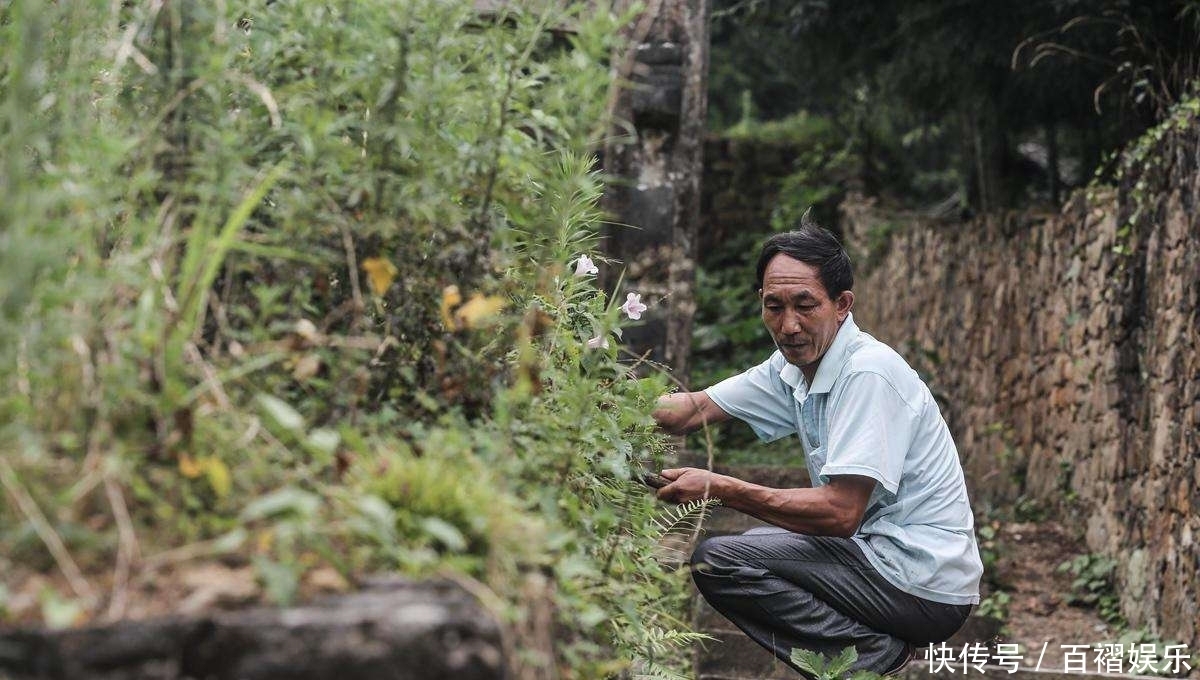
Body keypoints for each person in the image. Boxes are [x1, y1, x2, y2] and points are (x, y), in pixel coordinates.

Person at [651, 224, 982, 677]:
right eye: (775, 307)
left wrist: (719, 487)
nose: (789, 325)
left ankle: (869, 656)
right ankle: (861, 657)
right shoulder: (793, 367)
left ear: (842, 305)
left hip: (920, 581)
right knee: (749, 550)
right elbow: (691, 411)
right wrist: (603, 401)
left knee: (721, 560)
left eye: (805, 305)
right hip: (874, 559)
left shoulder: (868, 372)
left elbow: (841, 512)